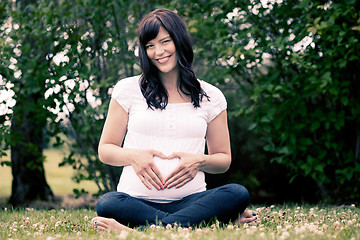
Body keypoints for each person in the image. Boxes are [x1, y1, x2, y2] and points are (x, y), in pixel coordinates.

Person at [92, 8, 256, 231]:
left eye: (164, 41)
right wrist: (134, 156)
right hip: (135, 201)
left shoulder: (211, 96)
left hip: (192, 201)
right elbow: (106, 150)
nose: (158, 51)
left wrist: (199, 161)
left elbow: (223, 159)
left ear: (179, 41)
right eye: (150, 46)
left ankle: (142, 231)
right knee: (108, 202)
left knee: (237, 193)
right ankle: (201, 224)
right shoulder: (127, 90)